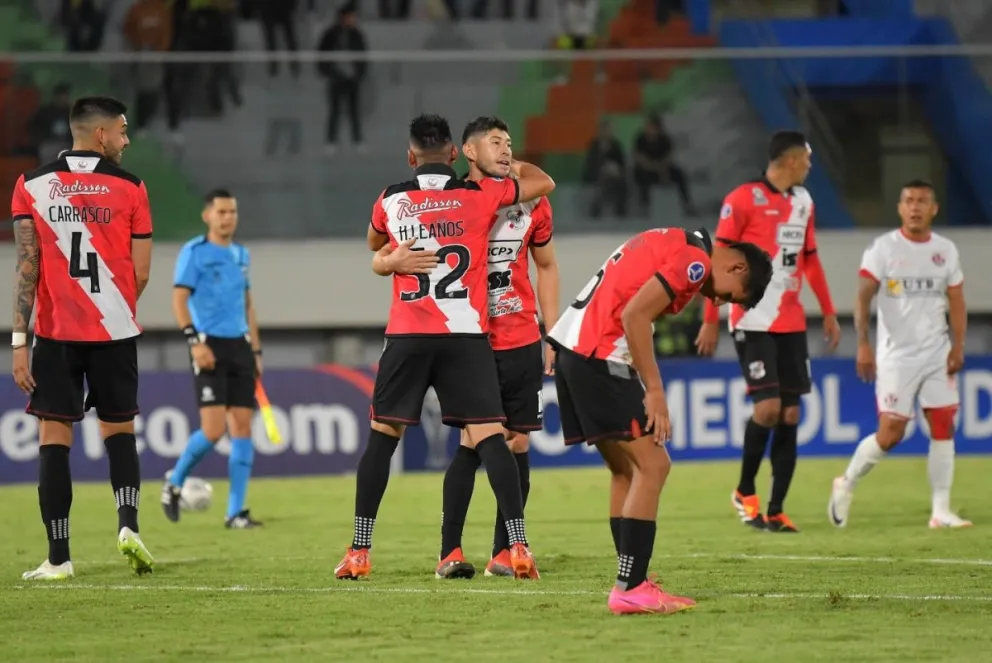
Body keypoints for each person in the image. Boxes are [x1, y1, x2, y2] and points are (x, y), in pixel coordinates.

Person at [334, 113, 555, 581]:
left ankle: (359, 551)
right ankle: (518, 545)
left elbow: (374, 242)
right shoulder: (481, 195)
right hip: (465, 336)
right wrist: (509, 163)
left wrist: (388, 260)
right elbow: (542, 183)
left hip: (408, 333)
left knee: (383, 437)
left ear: (410, 156)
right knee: (492, 437)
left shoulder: (391, 199)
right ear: (456, 154)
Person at [548, 227, 772, 614]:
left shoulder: (675, 240)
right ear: (737, 267)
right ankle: (631, 588)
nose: (717, 302)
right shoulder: (696, 260)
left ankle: (631, 577)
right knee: (654, 465)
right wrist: (654, 390)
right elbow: (635, 315)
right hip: (600, 356)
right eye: (729, 296)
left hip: (575, 350)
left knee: (626, 471)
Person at [11, 97, 154, 580]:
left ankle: (59, 558)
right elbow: (141, 273)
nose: (126, 140)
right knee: (120, 432)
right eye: (122, 131)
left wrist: (18, 343)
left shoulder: (31, 184)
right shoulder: (131, 187)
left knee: (54, 439)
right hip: (115, 331)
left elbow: (27, 270)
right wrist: (112, 308)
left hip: (56, 335)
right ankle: (128, 524)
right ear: (101, 135)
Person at [695, 130, 841, 533]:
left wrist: (829, 311)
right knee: (768, 409)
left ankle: (776, 509)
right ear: (791, 160)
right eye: (807, 159)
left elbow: (809, 259)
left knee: (791, 412)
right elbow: (717, 260)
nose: (810, 166)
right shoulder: (742, 199)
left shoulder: (804, 202)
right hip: (751, 318)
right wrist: (710, 318)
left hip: (791, 320)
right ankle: (745, 490)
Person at [829, 180, 970, 529]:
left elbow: (956, 300)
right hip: (897, 356)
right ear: (900, 208)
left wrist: (958, 345)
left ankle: (941, 511)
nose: (915, 207)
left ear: (934, 209)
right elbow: (863, 297)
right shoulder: (884, 248)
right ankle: (846, 482)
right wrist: (863, 342)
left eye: (922, 201)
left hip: (937, 352)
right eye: (909, 201)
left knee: (943, 424)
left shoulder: (945, 250)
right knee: (892, 433)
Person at [161, 189, 264, 529]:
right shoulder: (194, 252)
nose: (228, 217)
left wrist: (255, 350)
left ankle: (235, 512)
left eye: (232, 212)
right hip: (209, 344)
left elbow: (247, 305)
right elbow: (179, 299)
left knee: (243, 427)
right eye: (221, 212)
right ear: (207, 215)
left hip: (239, 346)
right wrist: (194, 342)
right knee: (214, 429)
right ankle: (174, 481)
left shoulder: (241, 254)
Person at [317, 4, 368, 155]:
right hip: (336, 78)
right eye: (351, 16)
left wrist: (358, 74)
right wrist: (331, 73)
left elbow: (363, 56)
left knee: (354, 111)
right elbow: (322, 56)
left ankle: (357, 140)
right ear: (343, 17)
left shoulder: (357, 34)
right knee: (335, 110)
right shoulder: (330, 34)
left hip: (352, 79)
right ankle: (331, 141)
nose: (354, 19)